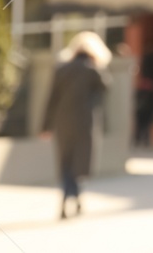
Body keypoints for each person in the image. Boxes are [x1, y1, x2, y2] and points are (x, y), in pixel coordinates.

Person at [41, 30, 110, 220]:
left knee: (65, 163)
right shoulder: (93, 70)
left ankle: (68, 201)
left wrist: (45, 126)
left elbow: (51, 98)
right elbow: (105, 90)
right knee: (78, 165)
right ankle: (72, 199)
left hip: (63, 123)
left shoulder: (61, 69)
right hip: (84, 123)